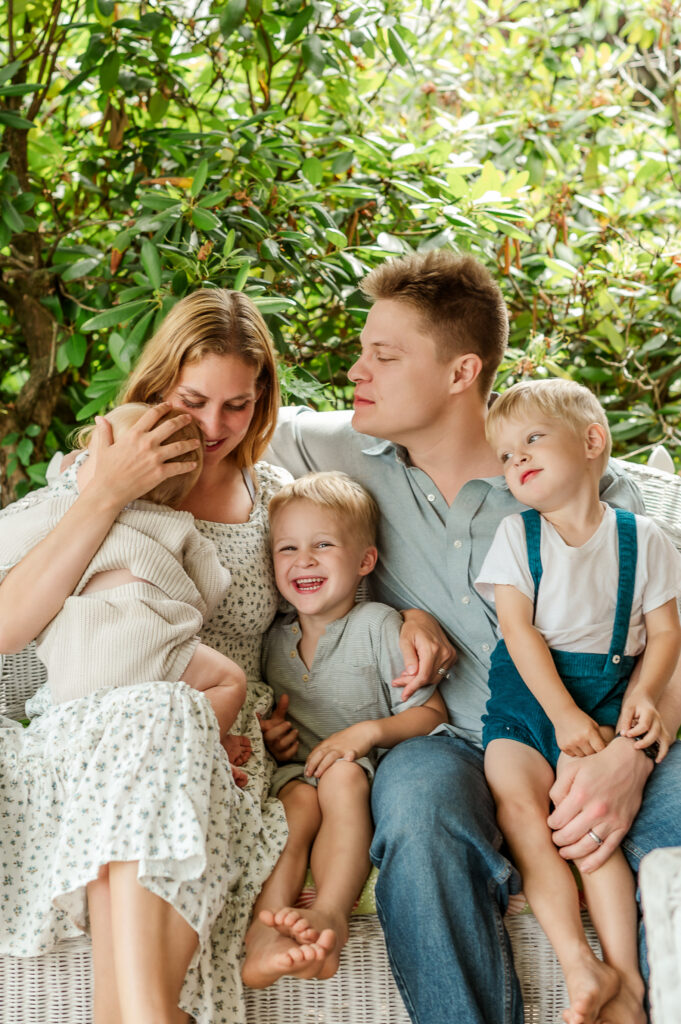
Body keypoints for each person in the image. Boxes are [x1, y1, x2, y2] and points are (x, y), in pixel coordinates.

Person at [266, 249, 681, 1024]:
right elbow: (228, 409)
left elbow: (674, 629)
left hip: (604, 724)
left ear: (461, 375)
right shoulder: (339, 447)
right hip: (448, 735)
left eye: (383, 356)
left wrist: (635, 755)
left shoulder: (568, 477)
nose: (356, 371)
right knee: (417, 812)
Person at [0, 288, 294, 1024]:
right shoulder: (89, 473)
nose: (215, 427)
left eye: (238, 405)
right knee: (154, 718)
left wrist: (406, 622)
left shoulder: (274, 498)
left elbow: (328, 600)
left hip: (218, 749)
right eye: (194, 401)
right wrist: (105, 493)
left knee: (165, 718)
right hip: (98, 738)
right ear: (159, 385)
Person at [476, 378, 681, 1024]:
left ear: (592, 441)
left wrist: (646, 696)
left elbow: (667, 632)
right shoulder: (516, 536)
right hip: (527, 703)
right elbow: (518, 632)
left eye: (531, 440)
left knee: (590, 832)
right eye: (505, 455)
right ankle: (577, 962)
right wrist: (561, 717)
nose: (517, 461)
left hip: (605, 700)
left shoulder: (642, 538)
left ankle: (625, 980)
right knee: (520, 806)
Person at [241, 471, 447, 988]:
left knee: (339, 779)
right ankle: (264, 929)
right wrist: (273, 735)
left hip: (359, 772)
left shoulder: (379, 625)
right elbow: (274, 718)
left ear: (364, 562)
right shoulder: (272, 641)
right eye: (287, 548)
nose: (302, 560)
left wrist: (368, 734)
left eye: (322, 545)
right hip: (296, 773)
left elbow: (432, 714)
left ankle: (330, 912)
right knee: (296, 805)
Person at [0, 403, 249, 773]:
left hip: (75, 683)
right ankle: (198, 746)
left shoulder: (63, 512)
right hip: (155, 662)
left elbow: (9, 538)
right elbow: (211, 586)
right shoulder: (177, 523)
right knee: (231, 680)